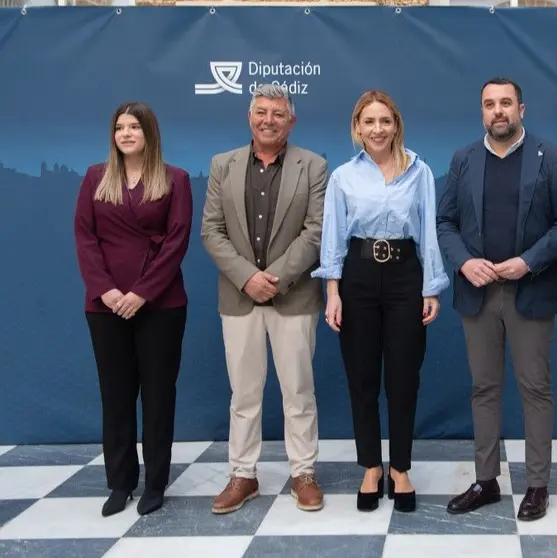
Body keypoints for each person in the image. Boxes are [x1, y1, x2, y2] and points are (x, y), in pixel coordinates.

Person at [437, 77, 557, 522]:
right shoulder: (463, 160)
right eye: (490, 104)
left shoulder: (550, 158)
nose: (499, 111)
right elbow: (445, 224)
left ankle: (537, 486)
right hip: (477, 293)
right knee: (484, 388)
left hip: (529, 291)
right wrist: (463, 263)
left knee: (535, 389)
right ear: (482, 112)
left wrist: (528, 261)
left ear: (522, 109)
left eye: (506, 103)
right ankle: (486, 480)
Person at [312, 90, 449, 514]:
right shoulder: (343, 177)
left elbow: (428, 231)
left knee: (404, 377)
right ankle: (371, 467)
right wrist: (332, 293)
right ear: (357, 128)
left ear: (396, 124)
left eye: (384, 121)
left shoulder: (419, 170)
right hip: (358, 277)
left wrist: (431, 286)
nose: (377, 129)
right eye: (368, 122)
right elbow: (333, 237)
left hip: (407, 275)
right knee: (363, 377)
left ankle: (401, 469)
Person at [201, 84, 328, 514]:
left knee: (298, 390)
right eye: (261, 112)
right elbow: (211, 232)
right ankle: (243, 475)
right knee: (244, 394)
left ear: (291, 121)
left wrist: (274, 279)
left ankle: (303, 473)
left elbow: (316, 231)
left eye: (277, 113)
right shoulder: (223, 164)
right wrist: (247, 279)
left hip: (293, 297)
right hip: (240, 300)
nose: (268, 119)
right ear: (249, 117)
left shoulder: (313, 166)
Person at [73, 101, 193, 518]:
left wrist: (142, 293)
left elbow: (177, 242)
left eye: (134, 127)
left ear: (149, 134)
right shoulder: (94, 178)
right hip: (105, 307)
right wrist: (105, 290)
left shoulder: (175, 179)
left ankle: (156, 483)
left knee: (158, 397)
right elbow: (85, 238)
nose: (125, 134)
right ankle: (121, 482)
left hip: (161, 305)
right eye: (119, 128)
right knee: (116, 396)